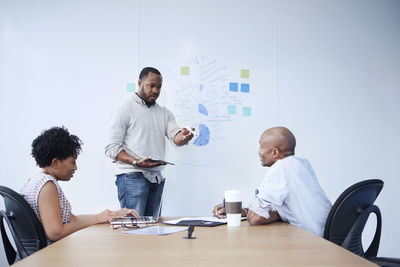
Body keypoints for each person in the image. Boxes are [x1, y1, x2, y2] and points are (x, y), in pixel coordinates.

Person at [20, 126, 139, 245]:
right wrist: (97, 219)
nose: (75, 167)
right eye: (73, 162)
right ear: (55, 163)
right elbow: (56, 232)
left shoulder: (36, 181)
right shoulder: (47, 186)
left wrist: (109, 215)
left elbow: (72, 219)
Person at [105, 67, 194, 217]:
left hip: (156, 178)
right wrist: (136, 162)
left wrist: (184, 136)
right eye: (151, 85)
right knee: (134, 230)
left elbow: (176, 137)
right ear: (140, 83)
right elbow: (111, 148)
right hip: (132, 176)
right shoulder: (125, 109)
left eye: (158, 87)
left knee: (152, 231)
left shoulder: (164, 113)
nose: (155, 90)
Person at [213, 126, 332, 236]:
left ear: (275, 152)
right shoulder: (302, 164)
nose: (258, 151)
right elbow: (287, 210)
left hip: (310, 243)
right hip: (325, 237)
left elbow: (255, 218)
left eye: (261, 146)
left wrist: (255, 214)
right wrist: (241, 211)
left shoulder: (281, 168)